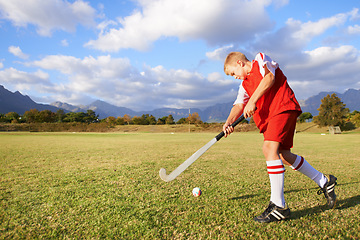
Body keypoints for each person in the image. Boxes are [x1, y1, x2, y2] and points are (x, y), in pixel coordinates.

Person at [222, 52, 337, 223]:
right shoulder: (244, 86)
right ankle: (324, 181)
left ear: (239, 63)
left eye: (233, 73)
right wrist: (228, 122)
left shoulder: (260, 59)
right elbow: (239, 105)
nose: (235, 77)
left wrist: (252, 101)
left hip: (282, 107)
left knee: (269, 149)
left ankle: (279, 206)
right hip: (271, 117)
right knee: (282, 155)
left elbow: (269, 78)